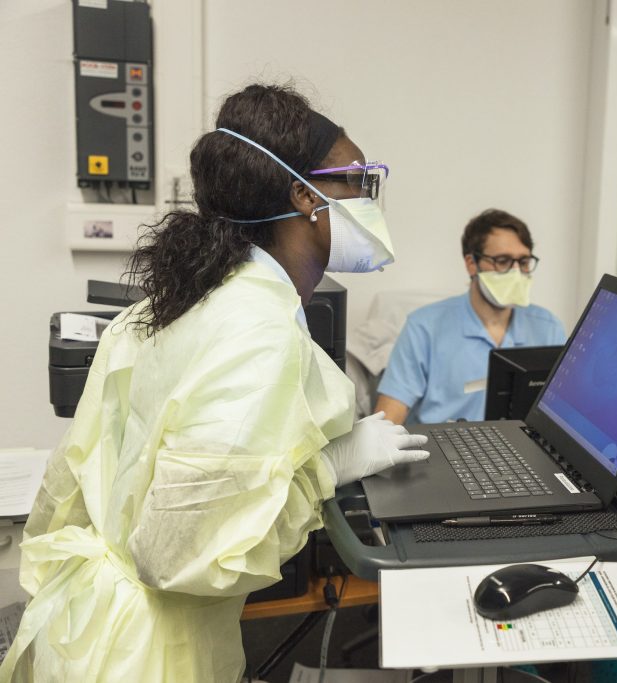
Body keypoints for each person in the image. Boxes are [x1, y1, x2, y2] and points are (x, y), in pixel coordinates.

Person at [0, 84, 429, 682]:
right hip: (147, 656)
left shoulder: (188, 297)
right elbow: (176, 554)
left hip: (89, 629)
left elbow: (73, 480)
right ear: (305, 195)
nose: (366, 198)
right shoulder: (255, 331)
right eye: (356, 180)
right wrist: (325, 469)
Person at [375, 209, 566, 425]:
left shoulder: (548, 329)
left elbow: (561, 417)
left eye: (523, 262)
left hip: (519, 451)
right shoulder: (424, 328)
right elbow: (387, 420)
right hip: (443, 450)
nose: (516, 273)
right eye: (502, 261)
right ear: (471, 264)